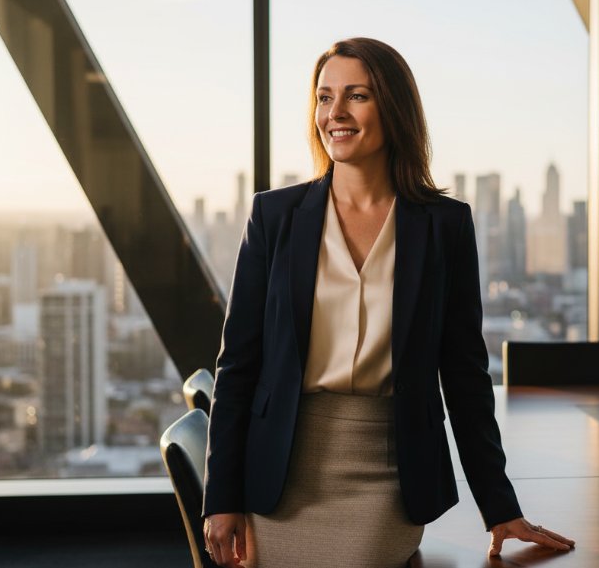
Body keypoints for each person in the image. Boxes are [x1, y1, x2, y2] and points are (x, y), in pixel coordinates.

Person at [202, 37, 574, 568]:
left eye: (357, 96)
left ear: (393, 108)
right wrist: (222, 499)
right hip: (279, 473)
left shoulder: (444, 226)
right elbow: (238, 365)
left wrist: (499, 506)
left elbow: (465, 375)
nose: (336, 113)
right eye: (324, 97)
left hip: (388, 472)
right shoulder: (274, 217)